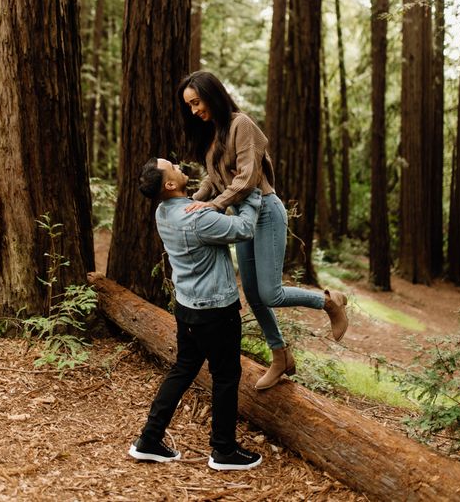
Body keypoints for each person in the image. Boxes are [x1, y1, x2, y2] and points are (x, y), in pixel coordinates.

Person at [177, 71, 348, 390]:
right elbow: (213, 178)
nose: (194, 111)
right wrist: (192, 201)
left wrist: (214, 206)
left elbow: (248, 176)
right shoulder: (213, 133)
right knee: (254, 294)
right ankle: (281, 356)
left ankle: (328, 302)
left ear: (211, 94)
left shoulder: (241, 124)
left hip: (265, 211)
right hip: (242, 215)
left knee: (270, 292)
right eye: (189, 106)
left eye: (196, 102)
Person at [128, 157, 263, 471]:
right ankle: (223, 450)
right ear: (171, 184)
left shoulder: (164, 211)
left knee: (184, 368)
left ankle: (148, 440)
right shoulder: (197, 220)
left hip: (188, 308)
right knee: (226, 376)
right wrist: (251, 192)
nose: (177, 165)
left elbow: (195, 207)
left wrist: (210, 197)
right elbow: (243, 229)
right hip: (216, 311)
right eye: (172, 166)